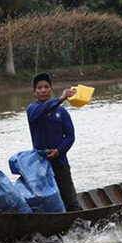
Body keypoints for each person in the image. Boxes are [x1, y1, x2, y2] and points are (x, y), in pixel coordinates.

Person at [27, 72, 83, 212]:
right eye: (39, 88)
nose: (43, 90)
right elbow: (41, 111)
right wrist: (61, 99)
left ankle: (81, 228)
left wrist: (58, 151)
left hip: (60, 163)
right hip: (41, 165)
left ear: (51, 90)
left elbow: (70, 136)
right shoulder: (32, 109)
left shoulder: (62, 112)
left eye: (46, 87)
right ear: (34, 92)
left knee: (70, 200)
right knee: (44, 202)